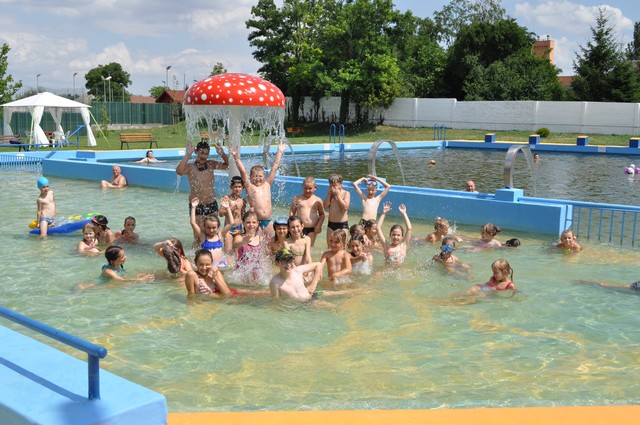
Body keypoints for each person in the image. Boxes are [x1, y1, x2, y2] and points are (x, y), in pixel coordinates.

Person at [176, 140, 229, 245]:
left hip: (211, 205)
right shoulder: (190, 167)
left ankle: (213, 253)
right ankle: (196, 255)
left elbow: (228, 165)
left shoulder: (211, 164)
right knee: (198, 237)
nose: (204, 156)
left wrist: (222, 153)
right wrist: (188, 154)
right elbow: (179, 171)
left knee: (213, 235)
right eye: (201, 153)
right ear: (196, 152)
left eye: (206, 153)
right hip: (197, 206)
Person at [230, 142, 286, 232]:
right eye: (255, 176)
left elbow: (274, 167)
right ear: (250, 177)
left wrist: (280, 152)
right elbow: (242, 171)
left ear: (264, 176)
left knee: (271, 240)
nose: (258, 178)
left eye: (260, 176)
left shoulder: (267, 184)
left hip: (268, 221)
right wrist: (236, 156)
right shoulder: (250, 186)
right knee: (256, 240)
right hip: (255, 221)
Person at [232, 211, 270, 285]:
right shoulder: (240, 237)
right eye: (248, 222)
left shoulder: (260, 238)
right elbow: (235, 244)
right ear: (243, 223)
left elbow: (265, 255)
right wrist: (243, 241)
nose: (251, 224)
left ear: (257, 223)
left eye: (254, 222)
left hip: (257, 271)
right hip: (243, 271)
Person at [289, 176, 325, 247]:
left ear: (315, 187)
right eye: (305, 188)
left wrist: (319, 225)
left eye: (310, 188)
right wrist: (291, 224)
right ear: (302, 187)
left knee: (309, 247)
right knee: (299, 246)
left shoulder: (318, 200)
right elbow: (292, 212)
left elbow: (322, 215)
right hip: (299, 228)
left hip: (312, 228)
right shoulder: (297, 198)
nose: (307, 190)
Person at [376, 202, 412, 266]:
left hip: (400, 271)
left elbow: (409, 229)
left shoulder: (403, 246)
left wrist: (404, 213)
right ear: (390, 235)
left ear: (402, 236)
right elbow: (378, 228)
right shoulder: (387, 246)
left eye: (398, 235)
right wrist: (384, 213)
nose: (396, 237)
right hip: (388, 270)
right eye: (393, 235)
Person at [220, 175, 247, 251]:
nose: (237, 189)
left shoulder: (242, 200)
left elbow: (243, 216)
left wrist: (243, 229)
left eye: (239, 187)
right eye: (235, 187)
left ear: (242, 187)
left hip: (239, 228)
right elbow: (220, 214)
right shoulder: (227, 198)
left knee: (237, 251)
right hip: (228, 228)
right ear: (231, 187)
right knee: (228, 250)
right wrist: (229, 209)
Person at [323, 173, 351, 247]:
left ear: (341, 184)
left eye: (335, 186)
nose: (333, 188)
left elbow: (345, 208)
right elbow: (324, 206)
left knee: (342, 247)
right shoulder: (330, 194)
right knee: (330, 247)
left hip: (342, 224)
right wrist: (329, 194)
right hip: (331, 224)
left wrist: (338, 195)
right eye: (331, 186)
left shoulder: (346, 193)